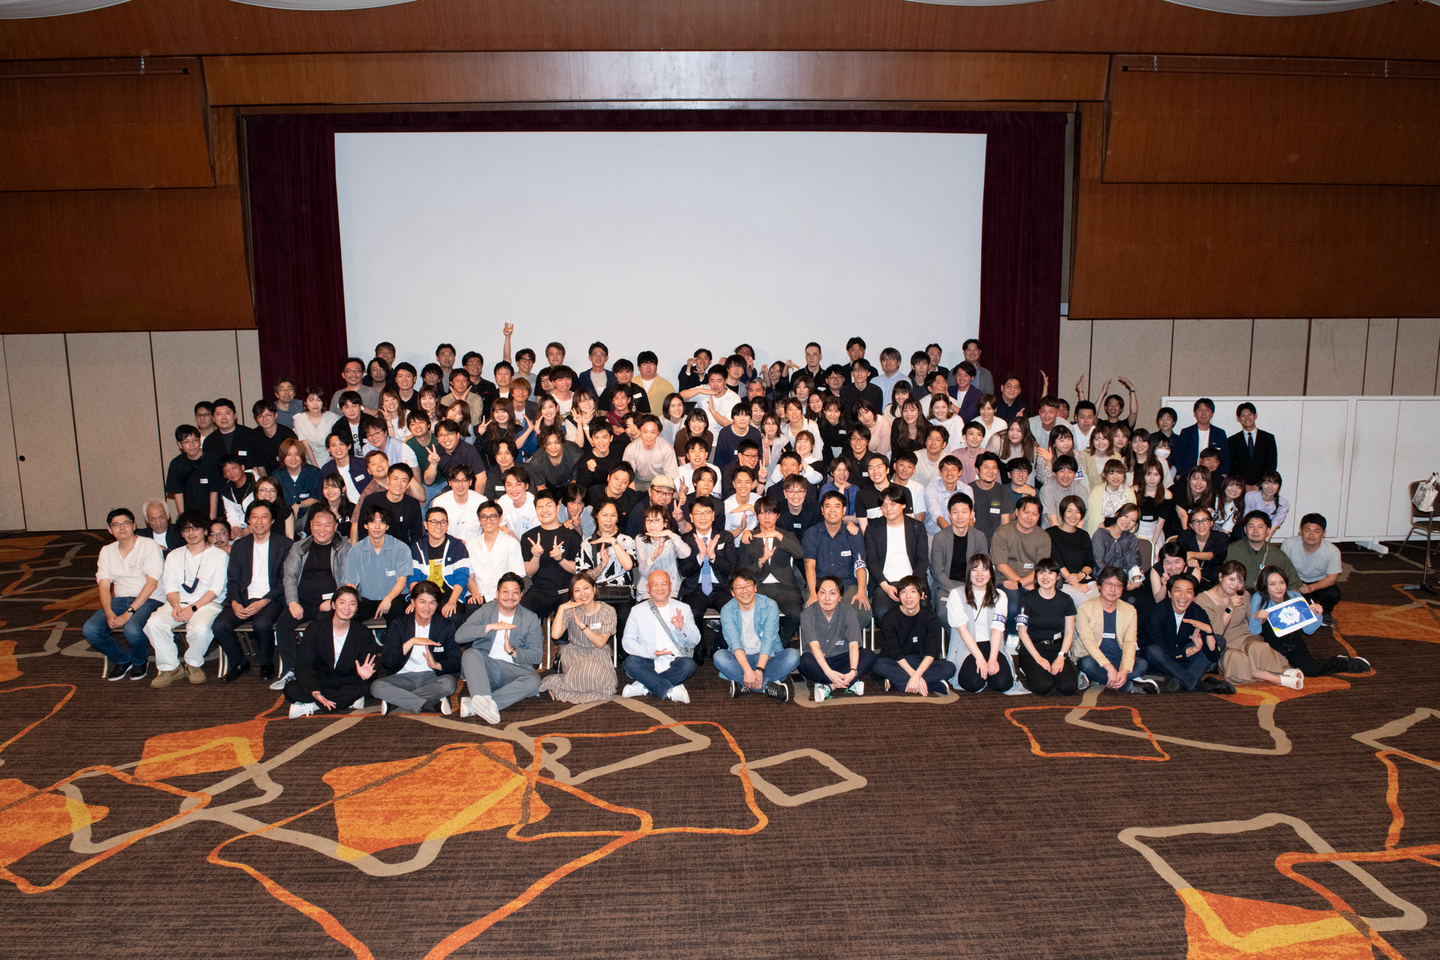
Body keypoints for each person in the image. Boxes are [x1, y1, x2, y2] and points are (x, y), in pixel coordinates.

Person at [145, 510, 230, 688]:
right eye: (186, 529)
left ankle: (193, 664)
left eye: (195, 528)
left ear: (205, 531)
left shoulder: (219, 556)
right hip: (177, 602)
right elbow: (170, 586)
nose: (191, 533)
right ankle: (170, 667)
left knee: (200, 627)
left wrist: (193, 608)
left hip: (208, 604)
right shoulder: (174, 555)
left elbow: (216, 589)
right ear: (181, 533)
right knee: (153, 623)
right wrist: (176, 605)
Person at [211, 501, 293, 683]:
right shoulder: (239, 546)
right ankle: (240, 663)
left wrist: (263, 601)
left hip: (272, 599)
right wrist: (234, 602)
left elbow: (284, 580)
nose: (259, 521)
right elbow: (233, 580)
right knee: (219, 626)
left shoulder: (285, 544)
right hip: (243, 598)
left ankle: (266, 663)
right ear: (248, 520)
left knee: (262, 624)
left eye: (264, 517)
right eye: (254, 517)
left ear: (272, 520)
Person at [272, 507, 351, 691]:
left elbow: (347, 578)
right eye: (318, 525)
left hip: (331, 604)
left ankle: (322, 672)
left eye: (327, 525)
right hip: (303, 602)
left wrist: (334, 601)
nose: (322, 529)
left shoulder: (343, 546)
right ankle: (290, 670)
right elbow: (289, 576)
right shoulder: (299, 547)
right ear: (310, 526)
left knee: (324, 627)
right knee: (283, 624)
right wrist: (292, 602)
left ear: (335, 527)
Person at [84, 507, 166, 681]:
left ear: (134, 525)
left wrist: (129, 612)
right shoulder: (107, 551)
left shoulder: (148, 545)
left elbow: (151, 584)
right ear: (110, 530)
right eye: (116, 525)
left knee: (132, 629)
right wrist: (109, 612)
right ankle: (122, 659)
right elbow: (103, 586)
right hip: (120, 599)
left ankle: (139, 661)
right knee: (91, 629)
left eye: (126, 523)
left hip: (150, 599)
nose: (121, 528)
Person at [453, 571, 543, 722]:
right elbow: (459, 636)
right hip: (486, 667)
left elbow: (537, 656)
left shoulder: (530, 618)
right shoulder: (486, 610)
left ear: (521, 595)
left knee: (534, 681)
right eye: (505, 592)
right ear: (497, 593)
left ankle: (478, 704)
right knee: (470, 654)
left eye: (515, 592)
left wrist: (512, 651)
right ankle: (484, 701)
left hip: (513, 670)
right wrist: (489, 627)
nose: (510, 596)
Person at [1250, 565, 1369, 678]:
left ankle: (1342, 662)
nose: (1279, 587)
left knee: (1310, 669)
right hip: (1270, 642)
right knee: (1267, 669)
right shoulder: (1259, 597)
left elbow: (1309, 630)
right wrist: (1257, 617)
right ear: (1265, 585)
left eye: (1282, 582)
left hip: (1292, 640)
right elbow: (1254, 630)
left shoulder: (1295, 597)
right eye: (1272, 584)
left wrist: (1317, 615)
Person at [1193, 561, 1297, 690]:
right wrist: (1229, 608)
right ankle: (1277, 678)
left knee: (1257, 646)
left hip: (1246, 636)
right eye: (1231, 579)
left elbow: (1253, 624)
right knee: (1234, 657)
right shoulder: (1202, 600)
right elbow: (1216, 632)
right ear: (1220, 577)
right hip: (1224, 643)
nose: (1235, 585)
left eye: (1240, 581)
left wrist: (1260, 618)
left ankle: (1285, 670)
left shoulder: (1244, 595)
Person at [283, 585, 379, 718]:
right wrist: (314, 690)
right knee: (290, 689)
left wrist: (364, 675)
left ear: (357, 608)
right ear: (333, 605)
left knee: (368, 687)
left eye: (352, 604)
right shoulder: (315, 629)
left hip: (348, 680)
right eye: (342, 602)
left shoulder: (363, 633)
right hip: (320, 681)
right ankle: (348, 700)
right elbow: (304, 664)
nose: (347, 608)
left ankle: (314, 705)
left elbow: (370, 664)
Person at [371, 580, 462, 714]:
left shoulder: (445, 626)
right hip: (403, 676)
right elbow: (387, 660)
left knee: (449, 684)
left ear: (437, 605)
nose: (427, 607)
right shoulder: (399, 624)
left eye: (432, 603)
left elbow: (456, 661)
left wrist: (437, 665)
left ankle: (396, 701)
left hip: (432, 677)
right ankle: (429, 704)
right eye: (422, 602)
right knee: (376, 687)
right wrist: (411, 642)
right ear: (413, 602)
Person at [1140, 573, 1233, 694]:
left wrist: (1209, 632)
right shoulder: (1157, 614)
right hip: (1157, 661)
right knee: (1153, 650)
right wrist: (1191, 650)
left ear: (1194, 596)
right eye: (1178, 591)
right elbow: (1165, 654)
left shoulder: (1197, 612)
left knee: (1219, 640)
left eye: (1188, 592)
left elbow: (1213, 657)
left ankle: (1179, 679)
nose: (1183, 596)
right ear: (1169, 593)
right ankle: (1198, 684)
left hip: (1182, 658)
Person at [715, 569, 800, 700]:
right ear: (732, 592)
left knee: (793, 656)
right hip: (741, 660)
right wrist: (747, 670)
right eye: (739, 587)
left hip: (768, 657)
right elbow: (734, 642)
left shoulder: (770, 605)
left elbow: (768, 641)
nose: (744, 591)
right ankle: (766, 686)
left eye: (748, 585)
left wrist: (759, 670)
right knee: (719, 657)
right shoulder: (727, 610)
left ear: (755, 587)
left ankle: (745, 684)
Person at [620, 569, 702, 703]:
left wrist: (682, 628)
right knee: (630, 662)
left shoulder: (683, 608)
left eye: (664, 584)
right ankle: (670, 688)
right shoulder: (637, 610)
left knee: (688, 665)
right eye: (655, 584)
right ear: (648, 588)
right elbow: (628, 642)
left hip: (675, 658)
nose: (660, 588)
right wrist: (651, 652)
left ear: (670, 586)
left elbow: (696, 640)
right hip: (647, 658)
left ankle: (644, 684)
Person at [1075, 567, 1158, 694]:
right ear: (1099, 586)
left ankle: (1098, 678)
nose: (1113, 589)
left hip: (1118, 659)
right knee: (1086, 664)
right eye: (1108, 583)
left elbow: (1130, 642)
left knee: (1142, 664)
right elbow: (1088, 642)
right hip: (1094, 658)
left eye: (1118, 585)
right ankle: (1129, 686)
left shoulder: (1129, 610)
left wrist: (1124, 670)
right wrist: (1109, 668)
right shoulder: (1085, 609)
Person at [676, 499, 739, 663]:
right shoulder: (684, 539)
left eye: (706, 513)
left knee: (733, 611)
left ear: (713, 515)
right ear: (691, 517)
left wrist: (712, 557)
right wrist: (699, 557)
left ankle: (719, 646)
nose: (702, 517)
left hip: (721, 588)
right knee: (693, 612)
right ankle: (698, 646)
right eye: (697, 513)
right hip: (695, 588)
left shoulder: (725, 537)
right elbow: (684, 570)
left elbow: (731, 569)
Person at [541, 573, 619, 703]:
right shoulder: (570, 611)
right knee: (590, 675)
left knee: (607, 684)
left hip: (598, 653)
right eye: (577, 590)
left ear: (594, 589)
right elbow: (555, 635)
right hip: (576, 654)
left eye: (586, 588)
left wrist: (582, 626)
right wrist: (561, 608)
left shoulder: (607, 610)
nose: (582, 594)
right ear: (572, 595)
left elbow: (600, 643)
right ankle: (567, 683)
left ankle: (559, 686)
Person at [798, 575, 876, 701]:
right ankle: (849, 683)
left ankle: (830, 686)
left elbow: (853, 645)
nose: (827, 598)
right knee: (804, 662)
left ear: (840, 597)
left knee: (869, 655)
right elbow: (814, 647)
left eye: (832, 593)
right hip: (819, 661)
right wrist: (828, 672)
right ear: (817, 594)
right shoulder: (807, 614)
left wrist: (853, 671)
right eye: (822, 593)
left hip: (843, 658)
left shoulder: (849, 612)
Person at [874, 576, 954, 696]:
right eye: (903, 592)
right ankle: (933, 685)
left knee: (949, 667)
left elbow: (931, 652)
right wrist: (914, 675)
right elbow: (895, 652)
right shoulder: (889, 618)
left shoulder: (931, 618)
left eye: (913, 591)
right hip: (899, 662)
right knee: (878, 665)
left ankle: (899, 684)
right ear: (898, 596)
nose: (908, 596)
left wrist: (916, 675)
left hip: (922, 661)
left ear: (922, 595)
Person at [802, 490, 872, 628]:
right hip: (820, 585)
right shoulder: (812, 534)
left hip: (847, 585)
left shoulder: (853, 534)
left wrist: (861, 592)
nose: (832, 510)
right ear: (822, 510)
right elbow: (809, 566)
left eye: (837, 506)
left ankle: (841, 640)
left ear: (844, 510)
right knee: (813, 613)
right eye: (828, 506)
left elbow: (860, 565)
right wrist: (813, 593)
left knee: (861, 612)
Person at [1014, 558, 1079, 695]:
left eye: (1050, 573)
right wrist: (1038, 658)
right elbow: (1022, 631)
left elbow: (1069, 632)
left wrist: (1061, 656)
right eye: (1041, 573)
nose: (1045, 577)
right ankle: (1025, 667)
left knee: (1067, 687)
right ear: (1036, 575)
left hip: (1056, 648)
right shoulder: (1027, 599)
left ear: (1058, 576)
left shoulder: (1066, 600)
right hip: (1032, 648)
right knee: (1042, 686)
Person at [863, 487, 929, 624]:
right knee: (882, 613)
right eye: (884, 505)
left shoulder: (917, 527)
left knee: (923, 611)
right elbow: (872, 561)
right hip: (884, 583)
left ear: (903, 505)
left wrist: (914, 586)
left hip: (912, 580)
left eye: (893, 504)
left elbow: (922, 560)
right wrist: (886, 587)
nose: (888, 509)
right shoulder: (873, 528)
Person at [990, 496, 1051, 635]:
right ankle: (1013, 636)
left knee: (1046, 606)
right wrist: (1021, 584)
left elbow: (1041, 568)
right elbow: (1001, 565)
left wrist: (1022, 583)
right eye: (1026, 512)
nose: (1029, 517)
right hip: (1006, 580)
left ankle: (1037, 640)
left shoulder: (1043, 537)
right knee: (1013, 607)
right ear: (1017, 512)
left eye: (1034, 514)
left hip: (1032, 581)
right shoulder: (1002, 532)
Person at [342, 503, 410, 624]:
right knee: (350, 614)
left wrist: (388, 599)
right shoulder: (356, 550)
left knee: (396, 611)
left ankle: (391, 636)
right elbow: (351, 583)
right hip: (367, 599)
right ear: (366, 525)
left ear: (387, 526)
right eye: (373, 522)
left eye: (382, 522)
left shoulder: (401, 548)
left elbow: (402, 581)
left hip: (394, 597)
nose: (377, 526)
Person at [520, 489, 582, 619]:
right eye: (540, 507)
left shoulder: (571, 535)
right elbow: (529, 573)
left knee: (570, 617)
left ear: (557, 508)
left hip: (566, 591)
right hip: (539, 592)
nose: (545, 510)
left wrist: (561, 559)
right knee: (521, 615)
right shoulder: (528, 537)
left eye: (549, 506)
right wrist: (536, 556)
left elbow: (577, 570)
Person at [409, 506, 471, 619]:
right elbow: (413, 578)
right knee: (411, 616)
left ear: (447, 525)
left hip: (450, 594)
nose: (439, 526)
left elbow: (461, 577)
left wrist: (452, 601)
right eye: (434, 522)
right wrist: (416, 600)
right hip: (424, 595)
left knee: (453, 616)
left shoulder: (457, 546)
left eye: (443, 522)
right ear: (425, 525)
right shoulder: (417, 547)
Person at [1281, 513, 1343, 625]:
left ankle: (1325, 612)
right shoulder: (1288, 544)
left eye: (1316, 531)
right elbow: (1283, 570)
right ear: (1300, 531)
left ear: (1323, 534)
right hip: (1295, 583)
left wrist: (1311, 587)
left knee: (1333, 593)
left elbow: (1331, 578)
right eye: (1307, 530)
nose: (1311, 535)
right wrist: (1294, 586)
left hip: (1319, 584)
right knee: (1277, 590)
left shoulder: (1332, 551)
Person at [463, 498, 527, 607]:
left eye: (493, 516)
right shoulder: (470, 544)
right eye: (484, 517)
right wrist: (475, 593)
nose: (488, 521)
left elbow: (515, 577)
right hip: (477, 595)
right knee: (472, 611)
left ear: (500, 519)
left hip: (502, 597)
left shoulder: (511, 543)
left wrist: (501, 596)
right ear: (479, 520)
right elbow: (470, 575)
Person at [1226, 510, 1300, 592]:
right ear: (1245, 529)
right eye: (1251, 526)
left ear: (1268, 531)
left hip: (1268, 596)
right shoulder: (1231, 550)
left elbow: (1293, 586)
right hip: (1238, 595)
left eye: (1260, 527)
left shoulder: (1279, 556)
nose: (1255, 531)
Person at [1047, 495, 1097, 606]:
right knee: (1088, 605)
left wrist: (1080, 575)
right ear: (1062, 512)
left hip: (1085, 581)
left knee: (1101, 604)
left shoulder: (1084, 535)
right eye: (1069, 511)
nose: (1073, 516)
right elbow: (1056, 562)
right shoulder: (1051, 533)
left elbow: (1089, 562)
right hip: (1063, 583)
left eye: (1078, 512)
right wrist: (1075, 583)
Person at [165, 424, 220, 519]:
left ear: (200, 441)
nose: (192, 445)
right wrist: (184, 519)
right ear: (179, 444)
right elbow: (178, 493)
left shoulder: (212, 458)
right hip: (191, 515)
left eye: (195, 440)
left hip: (214, 513)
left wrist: (212, 519)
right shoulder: (176, 464)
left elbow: (214, 491)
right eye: (186, 442)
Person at [1174, 398, 1232, 476]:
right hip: (1190, 474)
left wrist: (1223, 476)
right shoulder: (1186, 432)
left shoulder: (1220, 433)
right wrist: (1179, 475)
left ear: (1212, 414)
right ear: (1194, 413)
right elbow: (1179, 457)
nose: (1203, 413)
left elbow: (1225, 458)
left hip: (1213, 476)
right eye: (1200, 410)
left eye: (1207, 410)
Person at [1229, 402, 1278, 491]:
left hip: (1263, 487)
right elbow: (1231, 466)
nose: (1247, 418)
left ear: (1255, 416)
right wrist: (1243, 485)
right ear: (1238, 419)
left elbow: (1271, 464)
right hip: (1240, 488)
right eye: (1243, 415)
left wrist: (1259, 484)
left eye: (1250, 414)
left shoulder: (1268, 438)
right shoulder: (1232, 440)